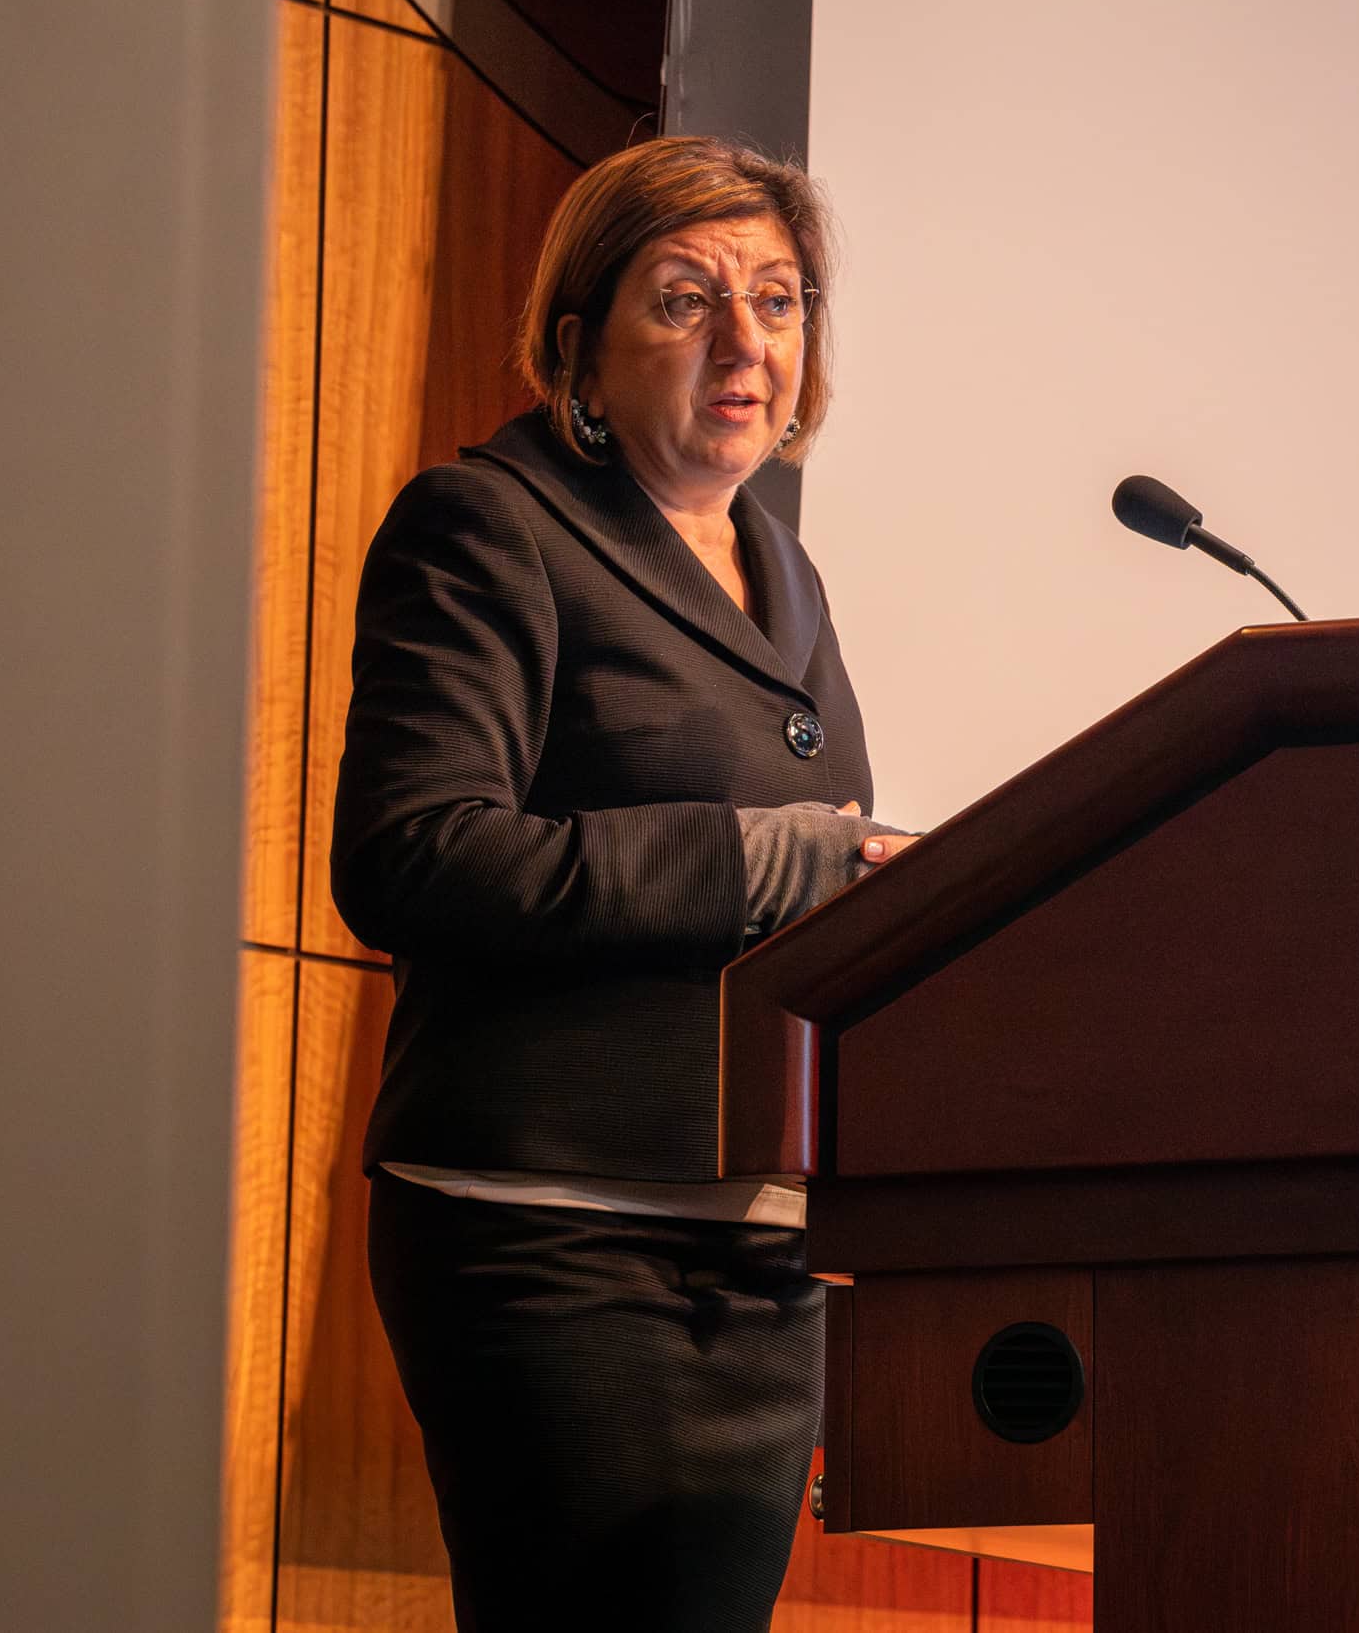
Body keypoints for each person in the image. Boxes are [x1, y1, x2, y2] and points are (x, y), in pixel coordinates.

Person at [334, 135, 915, 1631]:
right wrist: (761, 856)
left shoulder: (783, 570)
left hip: (754, 1243)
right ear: (577, 351)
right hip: (556, 1239)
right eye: (687, 301)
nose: (747, 344)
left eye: (780, 303)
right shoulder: (488, 529)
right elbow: (411, 853)